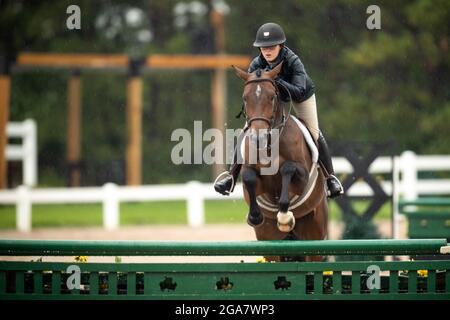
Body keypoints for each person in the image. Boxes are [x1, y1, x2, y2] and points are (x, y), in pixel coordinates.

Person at [214, 22, 344, 198]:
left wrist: (276, 81)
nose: (267, 51)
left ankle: (331, 178)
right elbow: (253, 90)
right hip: (271, 100)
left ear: (280, 46)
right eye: (263, 48)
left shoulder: (293, 61)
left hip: (300, 97)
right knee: (246, 131)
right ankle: (231, 177)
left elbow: (298, 90)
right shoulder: (256, 64)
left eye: (271, 47)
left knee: (314, 132)